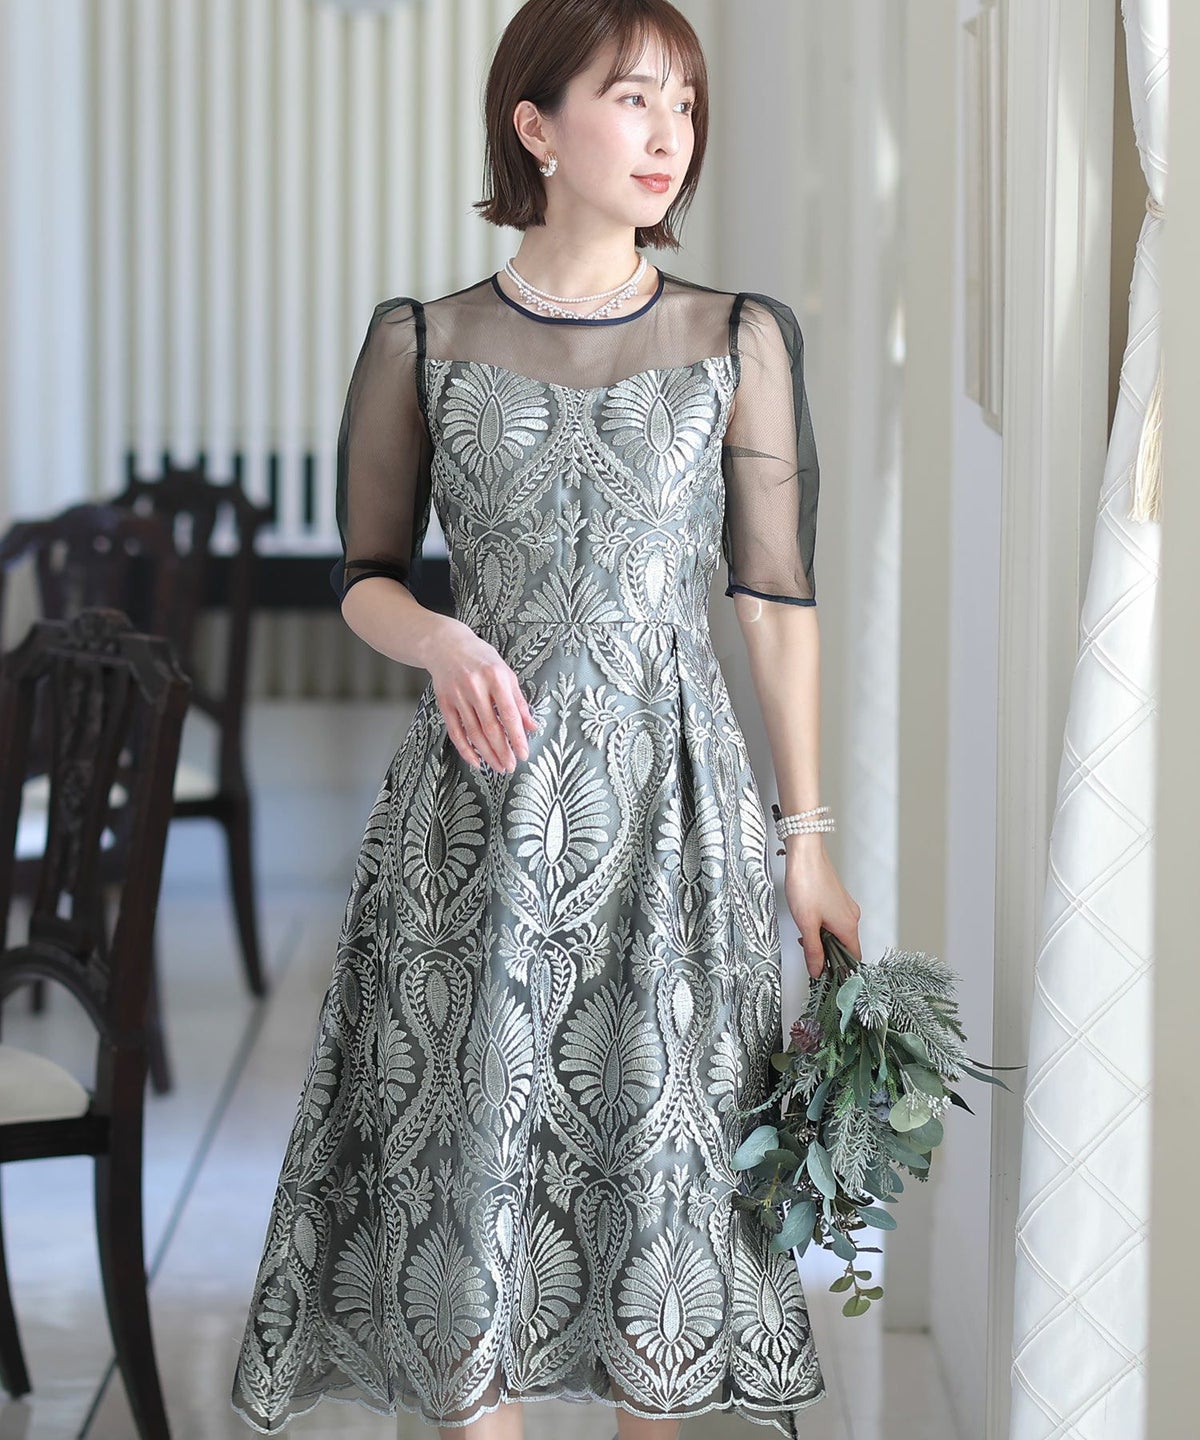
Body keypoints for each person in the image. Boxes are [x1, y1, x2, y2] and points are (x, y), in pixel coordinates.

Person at [230, 0, 862, 1436]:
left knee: (662, 1206)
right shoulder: (424, 340)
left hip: (668, 819)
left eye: (685, 105)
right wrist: (441, 636)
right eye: (633, 99)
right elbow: (365, 578)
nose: (669, 135)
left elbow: (774, 603)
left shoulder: (737, 339)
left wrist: (807, 840)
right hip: (476, 824)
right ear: (535, 125)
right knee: (468, 1204)